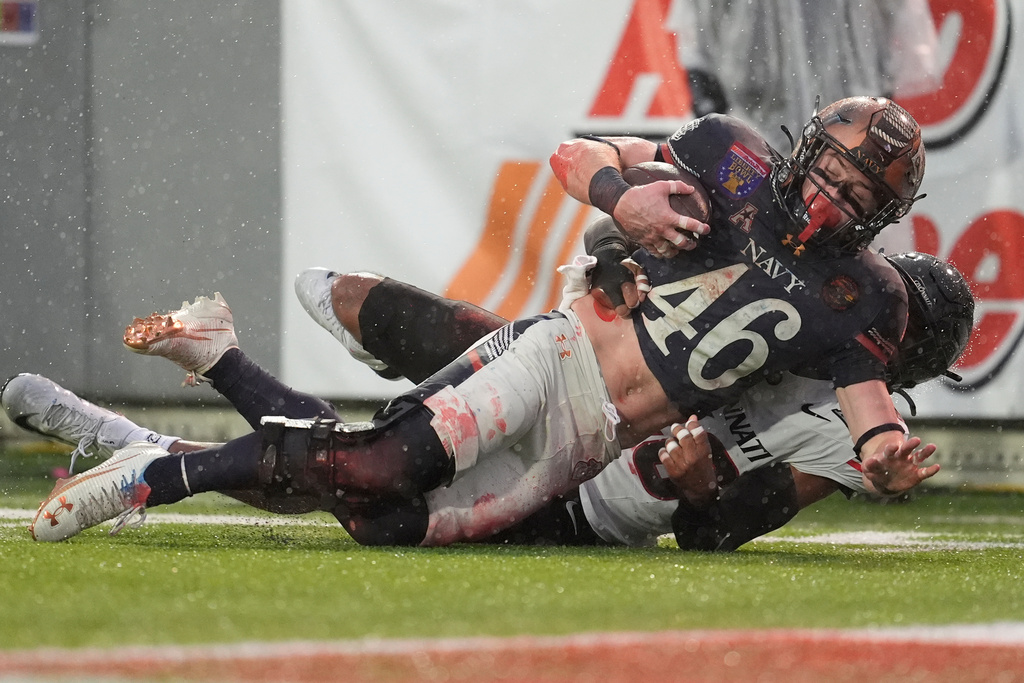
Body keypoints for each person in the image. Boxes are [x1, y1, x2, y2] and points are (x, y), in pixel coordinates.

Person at [27, 96, 935, 545]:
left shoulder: (861, 297)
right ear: (806, 147)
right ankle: (153, 476)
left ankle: (196, 386)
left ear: (878, 219)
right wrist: (625, 200)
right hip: (561, 351)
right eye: (832, 170)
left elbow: (871, 417)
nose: (830, 196)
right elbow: (576, 154)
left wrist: (887, 457)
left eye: (856, 193)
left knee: (379, 516)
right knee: (376, 461)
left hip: (596, 439)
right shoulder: (731, 157)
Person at [3, 251, 972, 549]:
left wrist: (699, 489)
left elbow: (726, 529)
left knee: (361, 487)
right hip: (563, 389)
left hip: (585, 505)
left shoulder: (861, 418)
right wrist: (620, 260)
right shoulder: (778, 300)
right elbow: (631, 240)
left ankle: (174, 401)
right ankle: (151, 447)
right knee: (362, 470)